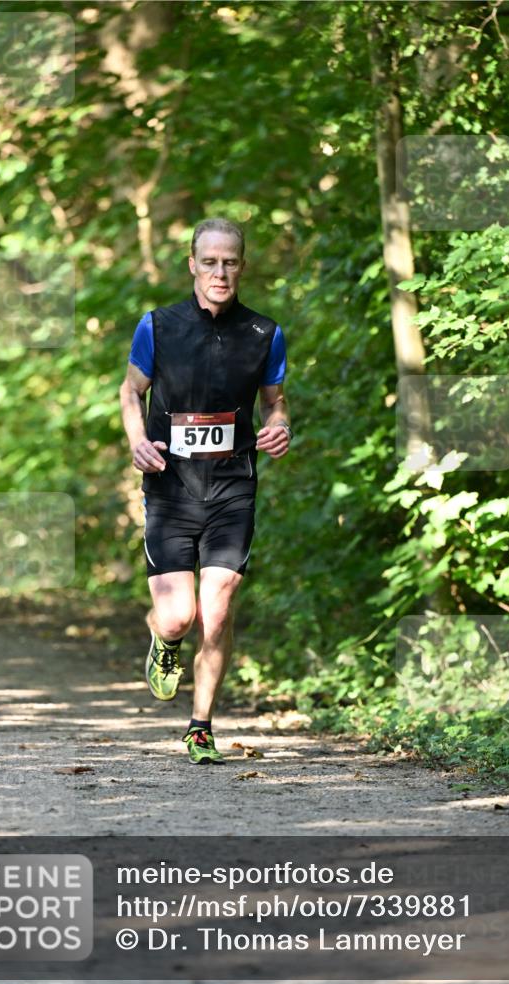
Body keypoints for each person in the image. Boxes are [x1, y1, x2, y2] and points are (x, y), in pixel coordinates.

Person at [120, 218, 292, 765]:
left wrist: (279, 425)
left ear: (243, 266)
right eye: (210, 261)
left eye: (231, 262)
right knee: (179, 618)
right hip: (170, 489)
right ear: (193, 265)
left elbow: (276, 402)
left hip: (232, 488)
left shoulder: (265, 333)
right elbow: (130, 392)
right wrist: (137, 442)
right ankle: (164, 643)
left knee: (216, 612)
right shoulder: (158, 326)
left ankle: (200, 727)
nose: (221, 271)